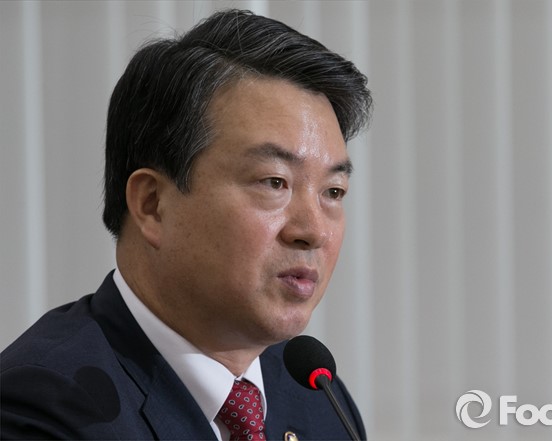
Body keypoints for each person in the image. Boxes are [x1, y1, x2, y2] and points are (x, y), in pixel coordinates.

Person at [1, 8, 372, 441]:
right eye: (275, 182)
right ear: (152, 205)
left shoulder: (316, 396)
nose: (314, 231)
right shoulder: (45, 410)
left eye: (333, 191)